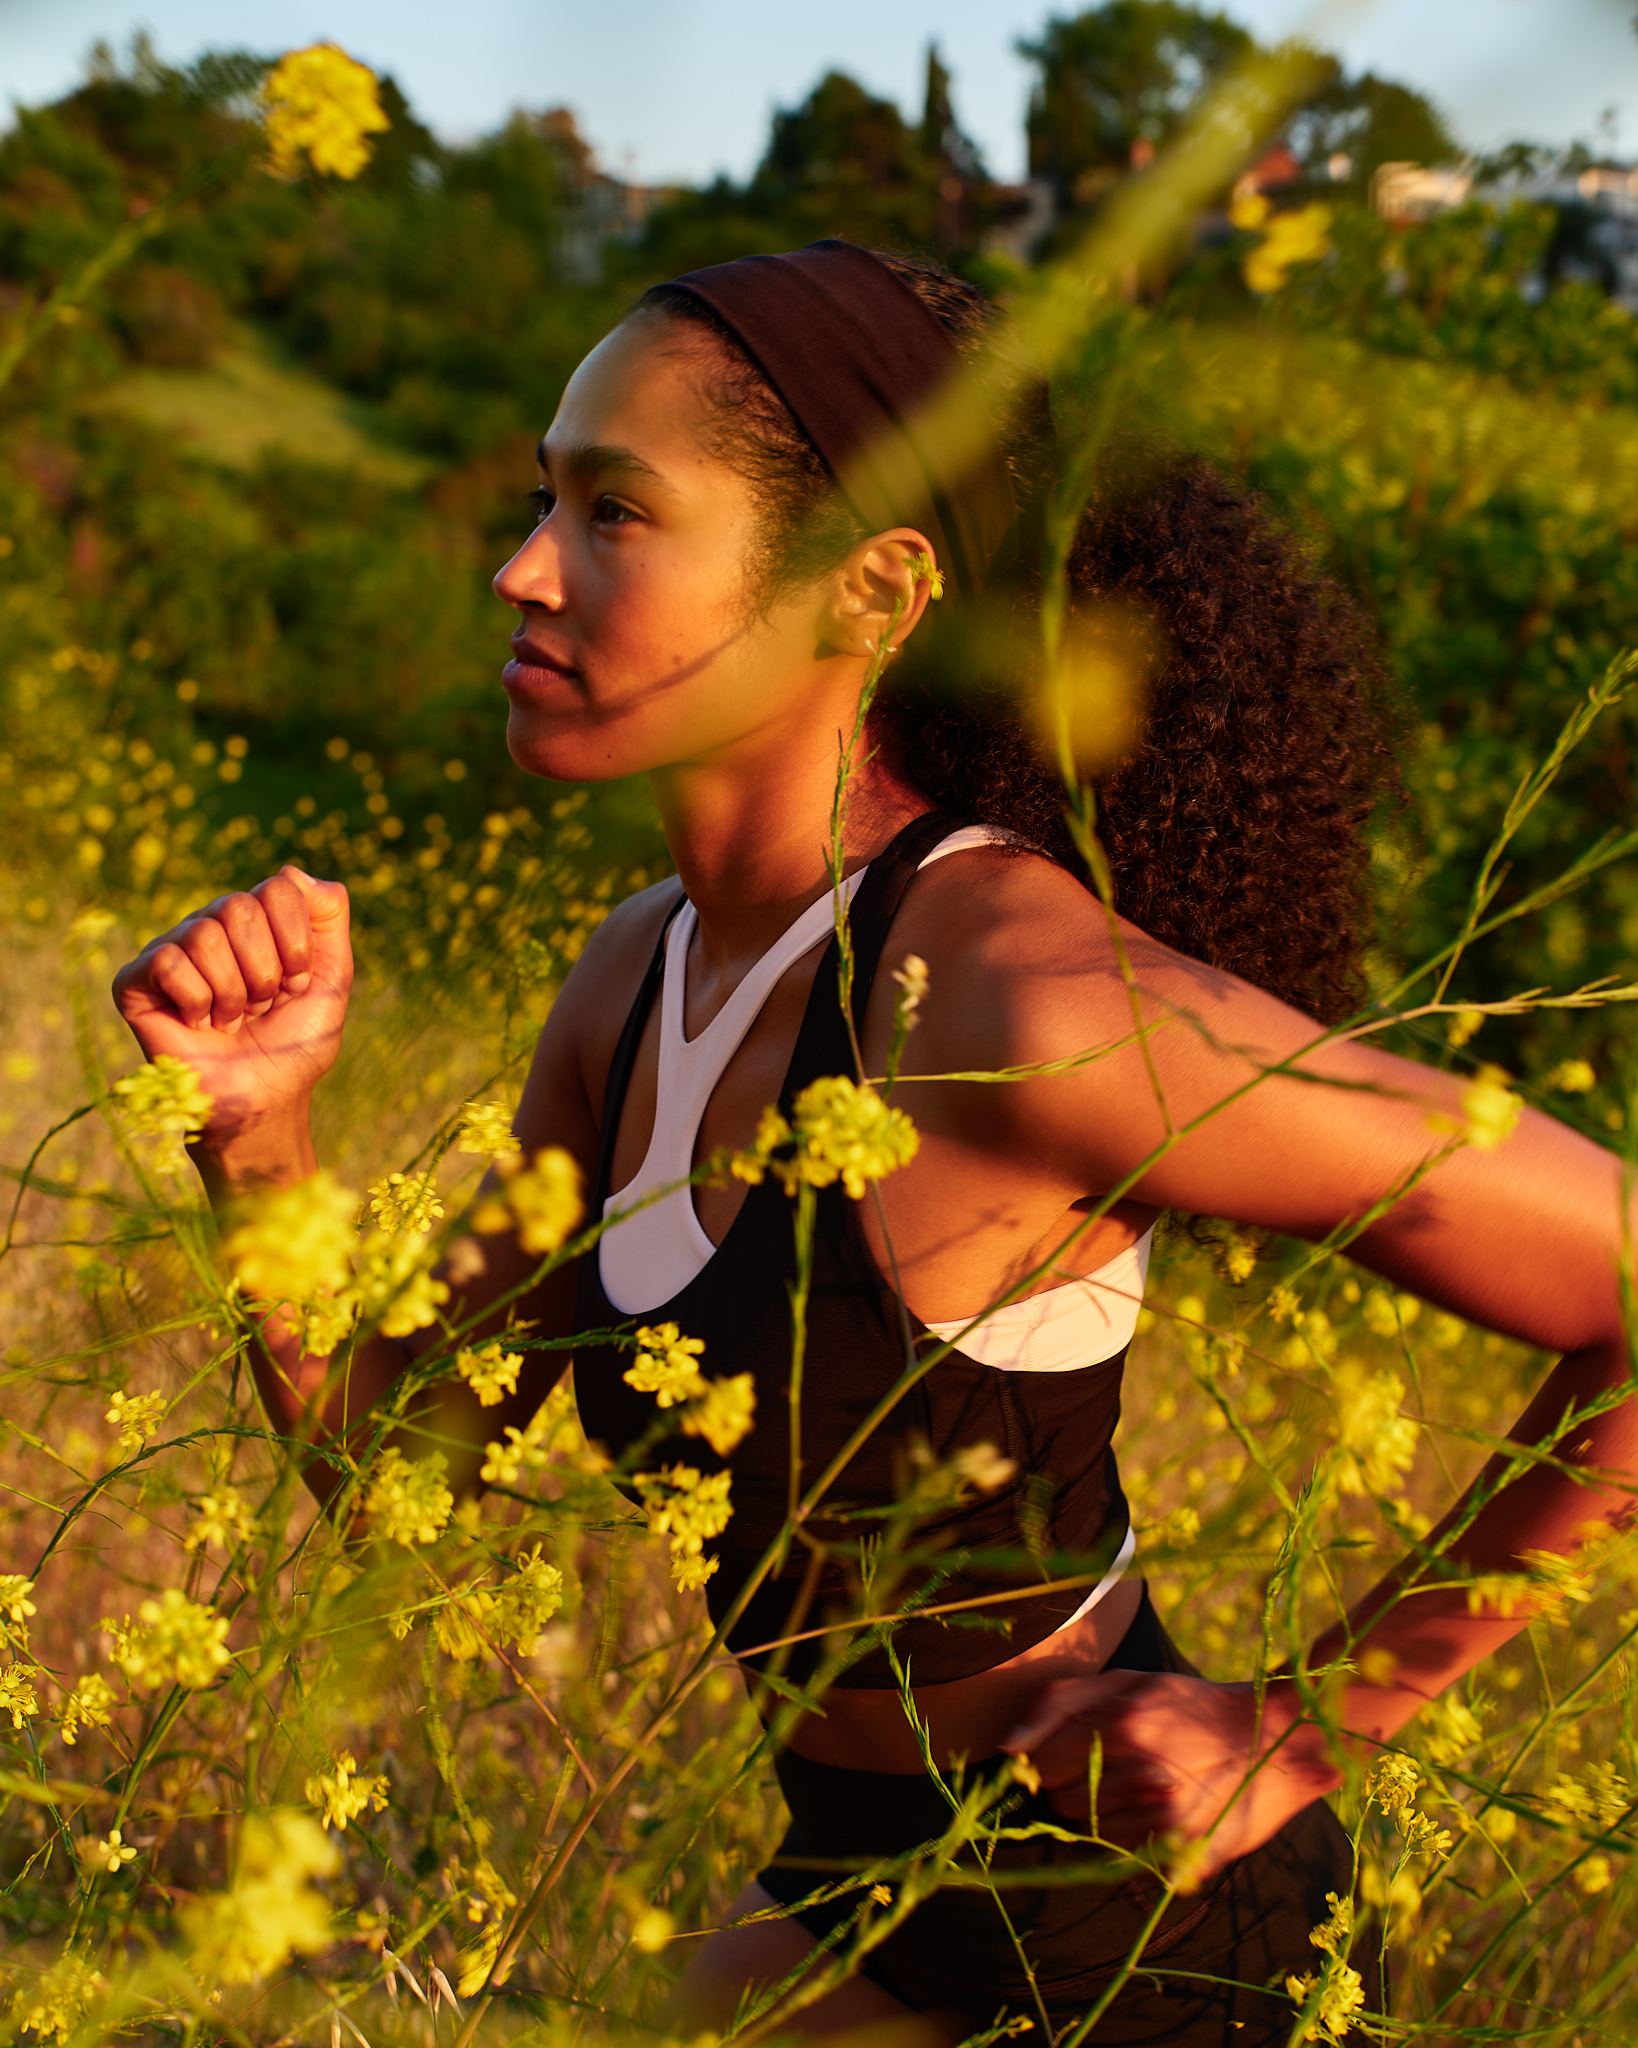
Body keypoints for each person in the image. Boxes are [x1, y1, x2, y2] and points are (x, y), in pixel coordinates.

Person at [112, 242, 1637, 2043]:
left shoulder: (1016, 999)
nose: (520, 570)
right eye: (542, 499)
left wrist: (1296, 1732)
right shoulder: (631, 980)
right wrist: (256, 1140)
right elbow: (392, 1471)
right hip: (861, 1874)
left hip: (1127, 1940)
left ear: (871, 592)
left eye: (615, 513)